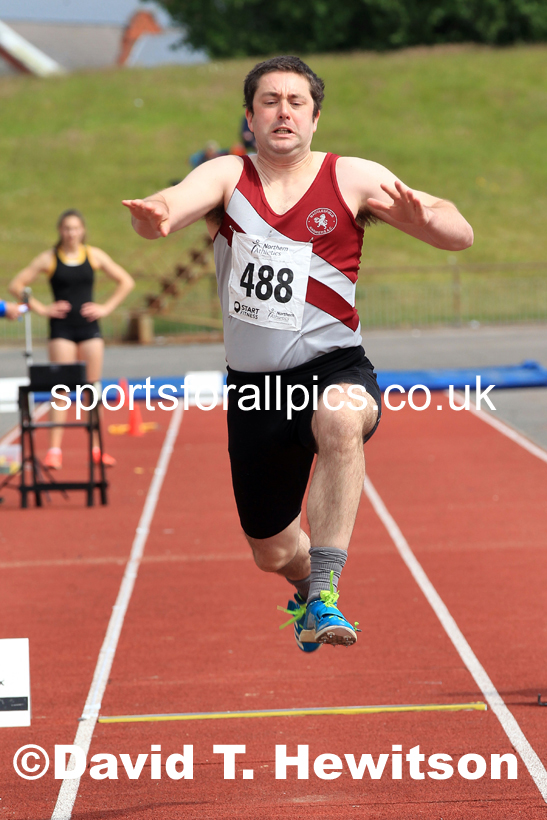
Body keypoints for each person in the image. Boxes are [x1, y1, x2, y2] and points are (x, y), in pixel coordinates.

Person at [123, 55, 473, 652]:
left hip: (335, 364)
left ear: (315, 118)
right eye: (269, 101)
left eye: (296, 102)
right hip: (256, 388)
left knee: (340, 418)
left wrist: (431, 216)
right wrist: (157, 214)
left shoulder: (353, 177)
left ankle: (326, 594)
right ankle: (304, 580)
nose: (283, 111)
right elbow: (176, 203)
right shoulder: (228, 176)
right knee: (272, 549)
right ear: (250, 118)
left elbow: (457, 232)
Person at [9, 209, 134, 470]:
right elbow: (17, 285)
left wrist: (106, 308)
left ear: (82, 230)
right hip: (61, 329)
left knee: (92, 389)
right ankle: (55, 450)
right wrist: (43, 308)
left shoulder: (94, 255)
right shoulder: (50, 258)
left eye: (76, 228)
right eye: (66, 228)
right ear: (60, 231)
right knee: (61, 391)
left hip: (89, 328)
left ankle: (97, 448)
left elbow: (126, 281)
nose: (71, 233)